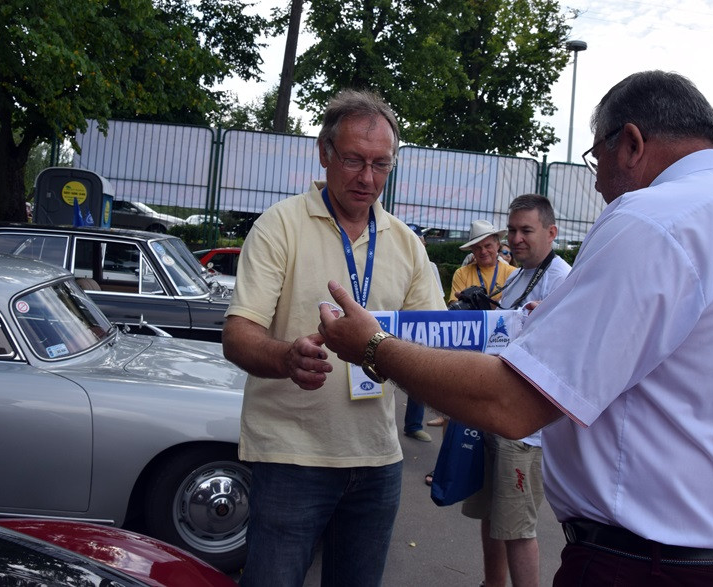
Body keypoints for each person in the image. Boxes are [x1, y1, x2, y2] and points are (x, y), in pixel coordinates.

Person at [317, 70, 713, 586]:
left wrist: (373, 346)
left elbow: (511, 404)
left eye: (596, 161)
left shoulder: (652, 220)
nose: (600, 184)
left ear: (630, 142)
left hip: (650, 565)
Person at [221, 89, 445, 587]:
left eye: (381, 165)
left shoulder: (406, 243)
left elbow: (438, 342)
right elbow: (237, 336)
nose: (368, 179)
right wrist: (286, 357)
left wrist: (504, 338)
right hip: (290, 457)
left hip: (379, 459)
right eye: (353, 160)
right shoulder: (279, 226)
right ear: (323, 153)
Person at [461, 193, 571, 587]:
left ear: (551, 232)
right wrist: (484, 316)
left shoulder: (563, 280)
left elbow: (569, 356)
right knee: (493, 515)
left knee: (518, 527)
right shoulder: (518, 276)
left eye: (526, 230)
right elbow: (506, 337)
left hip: (526, 430)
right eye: (512, 230)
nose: (516, 238)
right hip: (497, 414)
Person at [402, 223, 439, 443]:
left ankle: (413, 425)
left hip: (420, 327)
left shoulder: (431, 266)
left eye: (421, 240)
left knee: (416, 378)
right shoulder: (392, 259)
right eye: (415, 239)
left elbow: (435, 299)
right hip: (393, 325)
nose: (419, 243)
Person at [449, 220, 517, 306]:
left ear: (498, 245)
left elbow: (516, 306)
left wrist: (472, 304)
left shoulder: (513, 273)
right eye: (477, 248)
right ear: (472, 250)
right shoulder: (461, 273)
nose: (483, 251)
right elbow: (454, 306)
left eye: (487, 246)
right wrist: (495, 304)